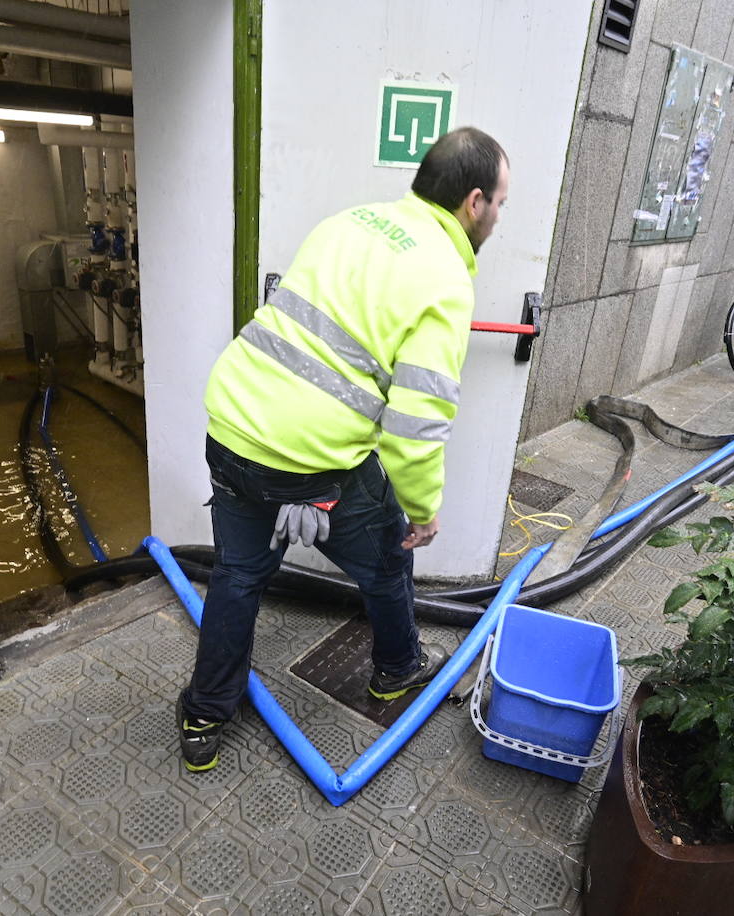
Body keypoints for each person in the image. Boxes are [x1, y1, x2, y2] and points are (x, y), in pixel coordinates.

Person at [178, 127, 510, 772]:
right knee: (388, 564)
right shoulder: (444, 278)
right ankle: (395, 670)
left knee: (239, 575)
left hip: (233, 427)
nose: (498, 216)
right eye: (500, 203)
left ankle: (203, 716)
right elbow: (417, 421)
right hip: (312, 458)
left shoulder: (349, 221)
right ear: (474, 202)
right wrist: (422, 511)